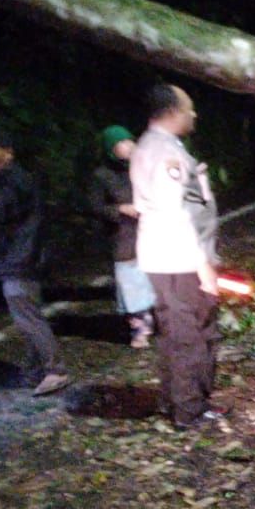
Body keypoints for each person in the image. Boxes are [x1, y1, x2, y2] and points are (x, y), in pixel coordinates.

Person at [130, 84, 224, 429]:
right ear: (171, 112)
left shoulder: (148, 146)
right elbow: (178, 213)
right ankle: (190, 411)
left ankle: (175, 404)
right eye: (189, 108)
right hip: (181, 259)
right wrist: (203, 266)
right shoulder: (166, 153)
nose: (194, 114)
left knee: (174, 335)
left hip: (161, 257)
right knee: (193, 336)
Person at [0, 129, 69, 395]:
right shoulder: (9, 182)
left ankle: (55, 370)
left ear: (9, 151)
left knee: (27, 316)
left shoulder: (17, 180)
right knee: (26, 315)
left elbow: (1, 207)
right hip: (19, 258)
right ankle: (33, 372)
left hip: (22, 260)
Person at [89, 125, 156, 348]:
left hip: (150, 232)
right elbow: (95, 206)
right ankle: (140, 329)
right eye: (122, 143)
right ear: (111, 149)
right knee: (131, 284)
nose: (129, 147)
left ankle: (162, 322)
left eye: (130, 141)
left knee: (156, 280)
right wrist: (119, 209)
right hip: (123, 236)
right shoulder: (101, 176)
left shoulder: (142, 166)